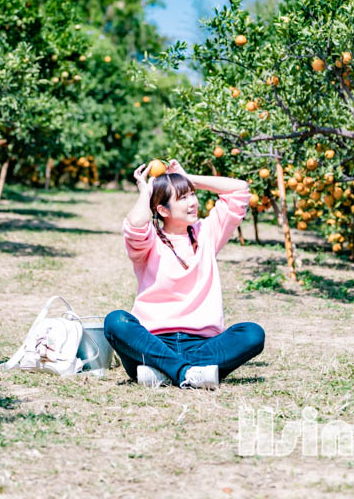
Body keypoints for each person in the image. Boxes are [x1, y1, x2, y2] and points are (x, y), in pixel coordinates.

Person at [104, 159, 265, 389]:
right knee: (116, 321)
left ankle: (166, 371)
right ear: (162, 209)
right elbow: (135, 226)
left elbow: (240, 190)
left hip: (202, 345)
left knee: (252, 334)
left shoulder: (207, 233)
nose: (193, 202)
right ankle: (187, 372)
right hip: (152, 343)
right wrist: (146, 191)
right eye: (182, 198)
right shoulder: (150, 241)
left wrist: (189, 179)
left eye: (192, 195)